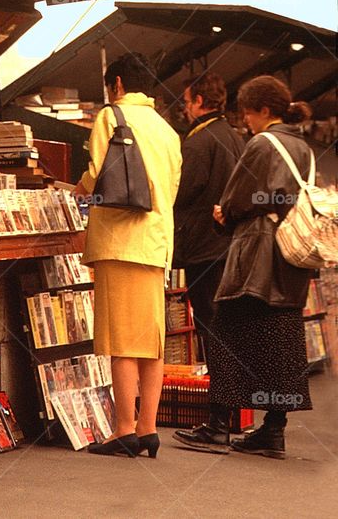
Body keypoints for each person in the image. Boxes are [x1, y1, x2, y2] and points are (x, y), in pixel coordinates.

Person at [202, 75, 315, 459]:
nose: (245, 120)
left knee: (226, 334)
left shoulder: (264, 143)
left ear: (263, 110)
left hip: (256, 259)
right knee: (281, 344)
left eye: (248, 112)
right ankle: (273, 430)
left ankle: (218, 427)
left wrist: (223, 213)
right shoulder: (304, 148)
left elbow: (235, 199)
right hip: (291, 260)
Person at [75, 53, 181, 457]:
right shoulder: (168, 131)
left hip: (121, 241)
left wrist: (77, 189)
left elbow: (98, 170)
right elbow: (170, 190)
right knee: (150, 342)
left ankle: (123, 430)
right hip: (157, 243)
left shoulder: (111, 116)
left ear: (116, 84)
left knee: (122, 340)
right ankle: (148, 428)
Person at [171, 73, 246, 453]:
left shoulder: (199, 141)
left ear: (200, 100)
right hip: (231, 247)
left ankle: (217, 422)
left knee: (210, 330)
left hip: (203, 246)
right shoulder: (235, 136)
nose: (184, 108)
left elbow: (184, 191)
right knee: (227, 332)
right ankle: (229, 417)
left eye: (187, 101)